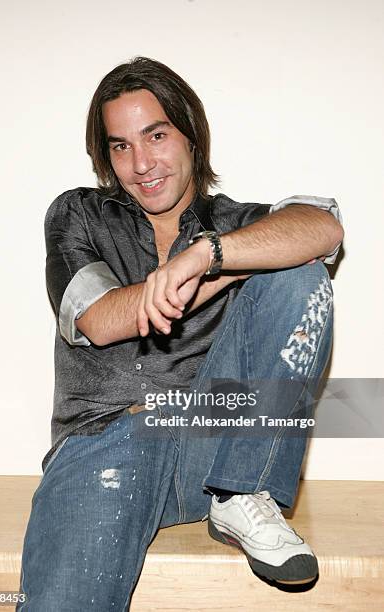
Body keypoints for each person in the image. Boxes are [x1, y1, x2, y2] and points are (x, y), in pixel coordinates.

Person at [18, 56, 343, 611]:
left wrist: (208, 254)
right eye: (121, 146)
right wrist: (225, 269)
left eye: (157, 135)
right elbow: (98, 319)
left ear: (192, 137)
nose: (141, 163)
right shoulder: (80, 215)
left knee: (299, 271)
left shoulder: (235, 221)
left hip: (210, 451)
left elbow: (323, 227)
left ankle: (243, 493)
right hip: (105, 445)